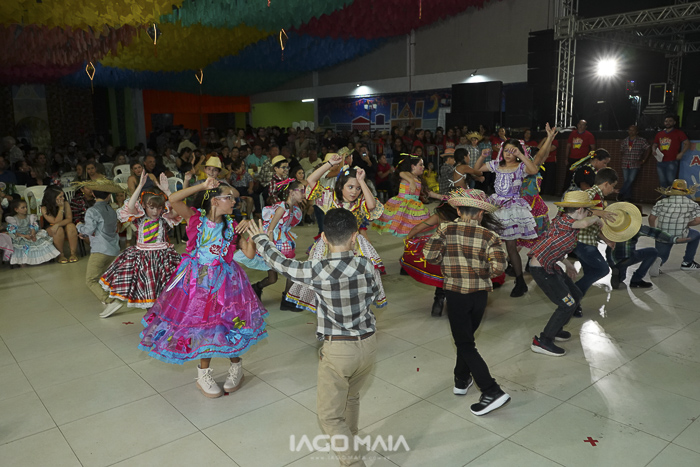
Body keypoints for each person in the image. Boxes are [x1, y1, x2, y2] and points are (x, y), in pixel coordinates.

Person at [250, 208, 381, 466]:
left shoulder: (316, 269)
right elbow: (375, 295)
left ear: (323, 238)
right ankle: (350, 441)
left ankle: (353, 462)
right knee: (351, 396)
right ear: (354, 237)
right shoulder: (366, 264)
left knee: (330, 417)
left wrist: (261, 239)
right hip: (368, 345)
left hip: (339, 351)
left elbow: (281, 264)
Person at [139, 178, 268, 398]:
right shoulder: (195, 219)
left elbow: (248, 254)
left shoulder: (232, 226)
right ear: (215, 201)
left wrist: (253, 235)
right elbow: (173, 199)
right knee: (203, 325)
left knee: (231, 323)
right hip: (198, 283)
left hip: (227, 283)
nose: (234, 202)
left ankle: (236, 367)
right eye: (229, 198)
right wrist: (201, 186)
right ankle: (203, 374)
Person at [423, 188, 511, 415]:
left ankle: (491, 390)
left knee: (465, 344)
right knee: (466, 338)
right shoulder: (490, 236)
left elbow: (430, 255)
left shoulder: (445, 229)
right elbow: (499, 267)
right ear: (481, 213)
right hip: (480, 295)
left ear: (458, 210)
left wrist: (447, 260)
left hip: (456, 293)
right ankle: (461, 379)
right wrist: (480, 271)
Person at [287, 153, 387, 312]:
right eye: (350, 187)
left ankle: (353, 309)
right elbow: (311, 180)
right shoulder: (328, 197)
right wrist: (329, 164)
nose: (354, 192)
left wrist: (362, 181)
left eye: (358, 188)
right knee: (327, 279)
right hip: (330, 246)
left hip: (354, 246)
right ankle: (330, 309)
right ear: (340, 186)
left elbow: (372, 205)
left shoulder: (360, 203)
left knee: (355, 281)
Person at [528, 191, 604, 356]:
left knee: (576, 295)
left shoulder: (567, 224)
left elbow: (555, 246)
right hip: (541, 270)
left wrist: (568, 265)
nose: (588, 214)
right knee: (567, 304)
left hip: (550, 266)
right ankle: (543, 341)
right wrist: (597, 218)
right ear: (580, 210)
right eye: (587, 211)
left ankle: (556, 329)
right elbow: (584, 223)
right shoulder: (564, 221)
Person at [98, 172, 182, 317]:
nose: (155, 211)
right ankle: (150, 315)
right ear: (143, 206)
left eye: (159, 208)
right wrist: (139, 187)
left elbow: (177, 210)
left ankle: (162, 315)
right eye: (151, 207)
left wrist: (168, 191)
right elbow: (130, 207)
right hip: (142, 257)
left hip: (162, 258)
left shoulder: (164, 218)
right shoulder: (139, 218)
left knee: (164, 288)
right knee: (143, 287)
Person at [474, 139, 540, 297]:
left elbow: (533, 170)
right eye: (506, 150)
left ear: (518, 152)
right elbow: (476, 170)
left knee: (511, 246)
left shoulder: (521, 166)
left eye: (513, 151)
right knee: (487, 242)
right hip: (495, 206)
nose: (509, 154)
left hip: (511, 208)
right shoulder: (497, 165)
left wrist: (521, 156)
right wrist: (482, 157)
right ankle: (491, 275)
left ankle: (520, 281)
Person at [571, 168, 619, 316]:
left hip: (588, 240)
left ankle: (573, 304)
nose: (612, 190)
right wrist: (600, 213)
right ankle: (571, 295)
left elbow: (593, 224)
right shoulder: (590, 193)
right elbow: (575, 212)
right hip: (581, 241)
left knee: (590, 272)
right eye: (612, 186)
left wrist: (606, 240)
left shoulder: (598, 196)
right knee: (602, 270)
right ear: (606, 184)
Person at [73, 179, 124, 315]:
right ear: (108, 196)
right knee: (104, 276)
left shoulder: (92, 210)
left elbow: (88, 230)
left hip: (100, 249)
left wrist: (79, 226)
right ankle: (111, 297)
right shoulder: (112, 210)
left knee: (91, 280)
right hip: (114, 249)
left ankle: (110, 301)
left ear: (94, 194)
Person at [372, 154, 441, 237]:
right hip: (404, 203)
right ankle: (410, 238)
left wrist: (439, 196)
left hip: (414, 204)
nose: (423, 167)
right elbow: (401, 173)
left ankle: (412, 238)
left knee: (415, 224)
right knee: (405, 224)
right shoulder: (408, 175)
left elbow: (427, 192)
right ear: (413, 167)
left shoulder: (418, 179)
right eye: (421, 165)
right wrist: (411, 181)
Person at [648, 179, 700, 273]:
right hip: (682, 235)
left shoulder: (661, 202)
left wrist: (655, 231)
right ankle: (687, 263)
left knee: (661, 254)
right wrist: (687, 224)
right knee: (696, 235)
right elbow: (697, 221)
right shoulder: (692, 204)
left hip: (663, 235)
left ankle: (658, 262)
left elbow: (651, 218)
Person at [5, 198, 60, 266]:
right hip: (20, 236)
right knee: (22, 245)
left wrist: (33, 235)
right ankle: (23, 261)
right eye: (23, 208)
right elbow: (13, 232)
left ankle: (40, 259)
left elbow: (33, 228)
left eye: (26, 207)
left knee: (39, 242)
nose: (26, 209)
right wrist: (24, 236)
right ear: (16, 209)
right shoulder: (13, 219)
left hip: (30, 234)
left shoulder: (30, 217)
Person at [41, 185, 80, 263]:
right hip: (51, 227)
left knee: (71, 226)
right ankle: (60, 255)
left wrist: (58, 224)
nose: (63, 198)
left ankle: (73, 253)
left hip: (63, 224)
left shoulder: (66, 203)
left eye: (63, 196)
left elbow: (69, 219)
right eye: (60, 197)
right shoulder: (44, 208)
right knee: (58, 230)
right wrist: (61, 208)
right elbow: (54, 221)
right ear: (53, 197)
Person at [652, 115, 689, 189]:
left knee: (671, 180)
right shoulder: (659, 134)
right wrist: (653, 150)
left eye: (670, 121)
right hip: (660, 160)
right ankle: (664, 195)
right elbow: (654, 144)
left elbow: (687, 143)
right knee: (662, 181)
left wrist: (681, 153)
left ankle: (671, 195)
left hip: (672, 160)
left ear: (674, 122)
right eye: (666, 121)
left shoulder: (679, 133)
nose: (668, 123)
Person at [618, 125, 651, 201]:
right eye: (629, 130)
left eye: (633, 130)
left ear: (637, 132)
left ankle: (621, 192)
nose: (631, 132)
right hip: (625, 163)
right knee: (626, 181)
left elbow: (648, 149)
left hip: (635, 164)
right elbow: (621, 151)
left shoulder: (641, 140)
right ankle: (628, 197)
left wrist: (644, 160)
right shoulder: (625, 140)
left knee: (631, 180)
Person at [564, 120, 595, 191]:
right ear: (577, 125)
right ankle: (566, 191)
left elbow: (593, 148)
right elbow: (568, 146)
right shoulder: (573, 133)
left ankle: (579, 192)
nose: (581, 126)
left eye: (583, 124)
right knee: (569, 175)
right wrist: (566, 158)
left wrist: (590, 159)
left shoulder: (589, 135)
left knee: (581, 176)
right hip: (572, 158)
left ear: (586, 126)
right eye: (579, 124)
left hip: (582, 159)